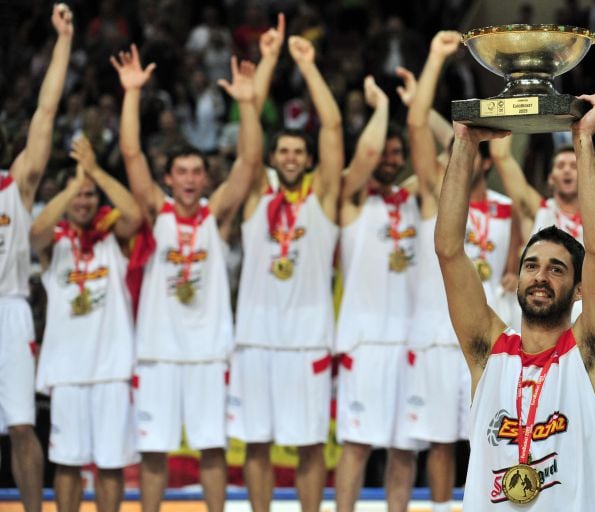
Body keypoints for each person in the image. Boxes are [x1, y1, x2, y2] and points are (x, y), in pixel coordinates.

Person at [436, 95, 595, 510]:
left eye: (557, 269)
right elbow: (449, 250)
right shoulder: (489, 353)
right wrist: (464, 144)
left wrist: (583, 140)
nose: (539, 276)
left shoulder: (590, 356)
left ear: (579, 289)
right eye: (531, 265)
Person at [113, 45, 260, 512]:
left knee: (212, 451)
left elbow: (248, 163)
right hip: (158, 351)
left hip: (208, 352)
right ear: (170, 179)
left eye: (198, 171)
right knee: (153, 452)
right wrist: (132, 94)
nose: (192, 179)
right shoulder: (157, 213)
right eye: (183, 172)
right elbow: (132, 151)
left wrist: (248, 102)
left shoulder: (216, 217)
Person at [227, 22, 343, 512]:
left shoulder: (324, 199)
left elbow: (334, 128)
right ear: (273, 159)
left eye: (299, 151)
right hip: (255, 339)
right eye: (283, 151)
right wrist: (266, 63)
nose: (290, 157)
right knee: (256, 442)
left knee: (311, 443)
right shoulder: (256, 198)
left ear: (309, 160)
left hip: (308, 341)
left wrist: (309, 67)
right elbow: (248, 148)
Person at [402, 30, 518, 512]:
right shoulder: (435, 194)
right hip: (435, 332)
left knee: (490, 432)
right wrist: (434, 58)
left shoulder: (511, 209)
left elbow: (515, 267)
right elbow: (414, 126)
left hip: (489, 336)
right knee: (440, 441)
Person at [30, 136, 142, 512]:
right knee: (67, 463)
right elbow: (35, 233)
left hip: (111, 368)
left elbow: (135, 215)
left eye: (90, 196)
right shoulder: (55, 243)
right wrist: (72, 187)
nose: (84, 201)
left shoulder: (113, 238)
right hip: (67, 371)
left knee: (111, 465)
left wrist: (94, 173)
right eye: (78, 196)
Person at [334, 66, 425, 512]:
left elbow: (446, 159)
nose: (389, 158)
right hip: (365, 341)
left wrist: (418, 107)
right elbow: (365, 153)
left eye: (397, 153)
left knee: (405, 449)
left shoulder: (414, 198)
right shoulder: (350, 199)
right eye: (385, 152)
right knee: (357, 444)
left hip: (409, 340)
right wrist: (383, 107)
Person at [0, 5, 73, 512]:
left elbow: (44, 114)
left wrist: (63, 40)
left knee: (22, 425)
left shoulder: (15, 186)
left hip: (9, 308)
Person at [491, 135, 583, 242]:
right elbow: (500, 156)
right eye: (560, 166)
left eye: (574, 166)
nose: (567, 170)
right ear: (550, 178)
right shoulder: (538, 209)